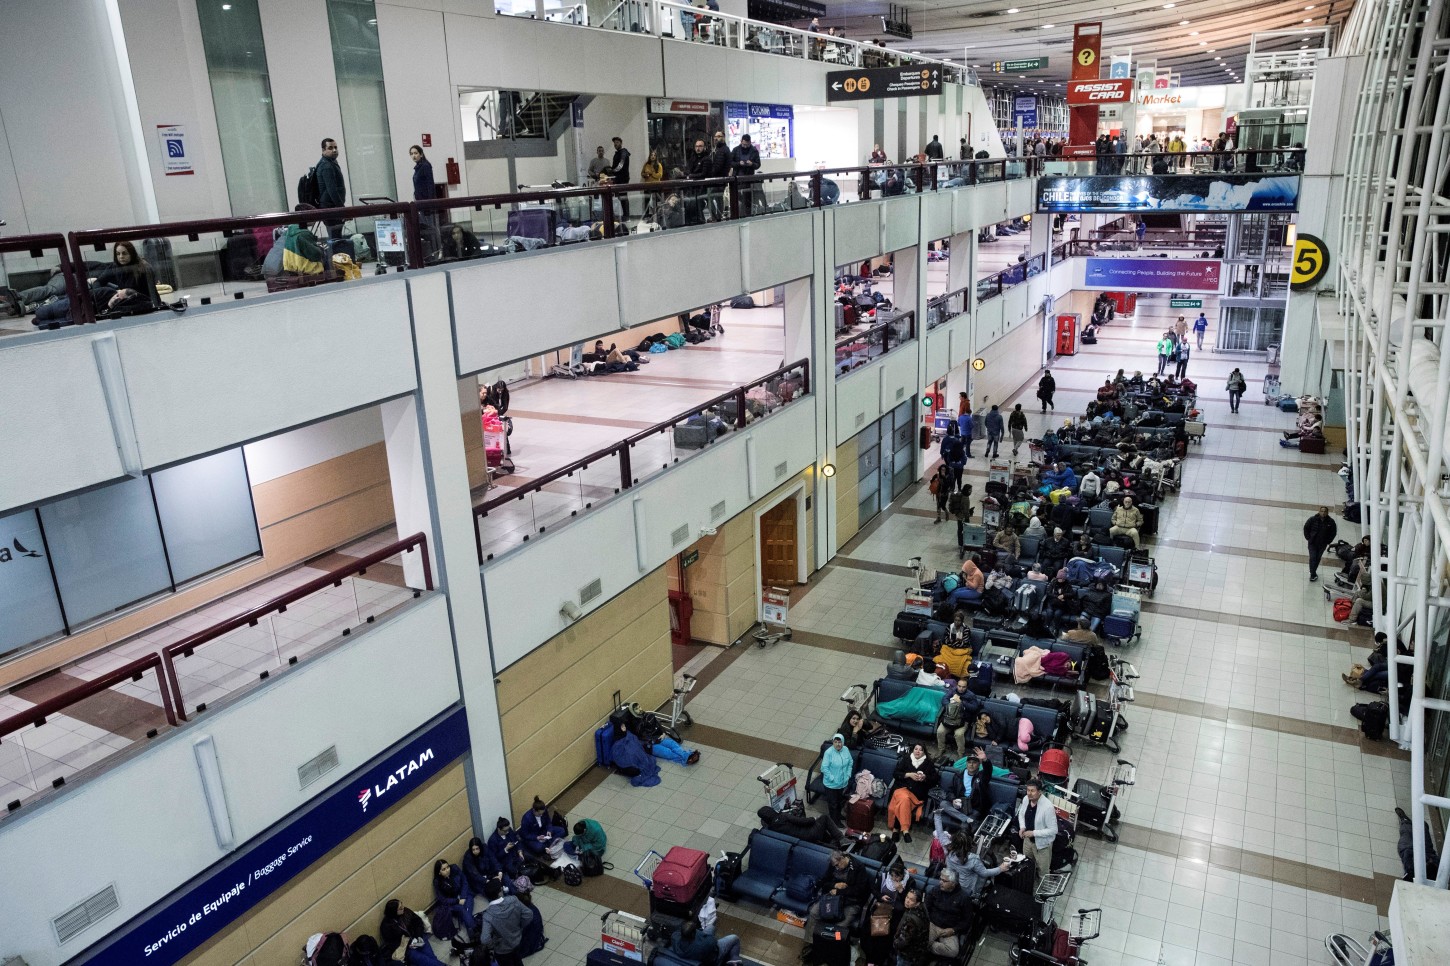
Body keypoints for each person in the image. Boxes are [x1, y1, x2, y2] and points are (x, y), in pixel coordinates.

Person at [803, 851, 868, 951]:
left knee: (841, 926)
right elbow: (824, 882)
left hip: (851, 902)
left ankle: (832, 948)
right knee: (814, 912)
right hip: (833, 898)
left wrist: (839, 891)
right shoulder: (833, 865)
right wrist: (834, 885)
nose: (836, 868)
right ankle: (811, 943)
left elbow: (859, 890)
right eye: (835, 866)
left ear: (843, 858)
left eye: (837, 865)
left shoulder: (858, 867)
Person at [479, 879, 537, 966]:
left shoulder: (488, 915)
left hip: (502, 950)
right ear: (499, 893)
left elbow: (485, 939)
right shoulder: (513, 900)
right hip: (517, 941)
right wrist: (519, 927)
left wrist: (493, 944)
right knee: (518, 961)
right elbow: (529, 914)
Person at [887, 743, 937, 842]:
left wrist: (924, 778)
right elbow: (896, 774)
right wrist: (908, 774)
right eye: (916, 749)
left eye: (920, 749)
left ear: (924, 752)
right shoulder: (906, 759)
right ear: (913, 750)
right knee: (904, 798)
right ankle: (905, 830)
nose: (918, 751)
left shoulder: (928, 764)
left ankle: (896, 829)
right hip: (900, 789)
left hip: (916, 794)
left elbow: (935, 779)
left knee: (903, 802)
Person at [923, 869, 974, 958]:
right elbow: (925, 907)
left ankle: (927, 946)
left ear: (953, 884)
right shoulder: (935, 890)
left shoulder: (964, 898)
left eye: (944, 881)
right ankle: (925, 945)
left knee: (953, 951)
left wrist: (954, 930)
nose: (940, 882)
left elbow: (967, 920)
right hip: (933, 924)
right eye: (940, 879)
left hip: (949, 929)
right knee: (921, 941)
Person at [1014, 779, 1058, 883]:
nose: (1029, 793)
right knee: (1028, 865)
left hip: (1042, 846)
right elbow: (1021, 814)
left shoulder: (1047, 807)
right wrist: (1022, 827)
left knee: (1043, 871)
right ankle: (1029, 886)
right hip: (1028, 841)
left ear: (1040, 792)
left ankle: (1043, 892)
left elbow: (1053, 830)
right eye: (1028, 790)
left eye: (1032, 791)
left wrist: (1033, 833)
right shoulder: (1026, 799)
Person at [379, 899, 446, 966]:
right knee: (424, 960)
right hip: (407, 948)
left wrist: (418, 936)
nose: (403, 907)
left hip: (417, 938)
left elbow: (418, 922)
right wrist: (409, 944)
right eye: (400, 908)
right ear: (394, 911)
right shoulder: (386, 926)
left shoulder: (406, 911)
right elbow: (392, 943)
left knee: (431, 958)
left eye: (401, 904)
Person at [433, 858, 481, 942]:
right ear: (439, 872)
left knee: (466, 912)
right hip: (453, 902)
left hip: (465, 895)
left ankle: (473, 937)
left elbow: (464, 881)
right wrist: (457, 901)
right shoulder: (437, 882)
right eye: (443, 869)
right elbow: (442, 899)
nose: (447, 870)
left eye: (447, 867)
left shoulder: (454, 868)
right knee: (463, 910)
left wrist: (463, 896)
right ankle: (476, 930)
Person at [819, 733, 853, 825]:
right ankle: (835, 821)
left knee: (839, 801)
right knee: (833, 804)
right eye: (835, 742)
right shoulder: (828, 753)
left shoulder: (845, 749)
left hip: (842, 783)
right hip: (831, 784)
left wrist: (848, 774)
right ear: (833, 742)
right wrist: (832, 778)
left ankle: (837, 815)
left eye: (840, 742)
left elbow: (850, 762)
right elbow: (824, 768)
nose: (838, 744)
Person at [316, 138, 347, 240]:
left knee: (335, 238)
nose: (334, 150)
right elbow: (332, 190)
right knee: (335, 240)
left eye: (335, 147)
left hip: (331, 208)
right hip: (331, 209)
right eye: (330, 148)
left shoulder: (329, 162)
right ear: (323, 150)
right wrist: (342, 209)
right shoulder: (327, 166)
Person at [893, 888, 930, 966]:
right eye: (907, 897)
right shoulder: (923, 909)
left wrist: (895, 944)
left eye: (911, 900)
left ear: (917, 903)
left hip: (907, 955)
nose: (907, 900)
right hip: (917, 953)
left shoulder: (911, 920)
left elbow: (903, 941)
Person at [936, 679, 974, 754]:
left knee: (958, 734)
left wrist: (961, 703)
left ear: (967, 687)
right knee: (940, 731)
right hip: (949, 718)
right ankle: (941, 749)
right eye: (959, 686)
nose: (961, 688)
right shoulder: (952, 691)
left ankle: (960, 753)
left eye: (963, 687)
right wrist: (952, 705)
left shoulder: (971, 695)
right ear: (957, 685)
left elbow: (974, 708)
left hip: (962, 720)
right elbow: (944, 700)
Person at [1304, 505, 1338, 582]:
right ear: (1319, 512)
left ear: (1327, 512)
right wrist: (1308, 537)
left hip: (1322, 544)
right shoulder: (1312, 519)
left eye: (1325, 511)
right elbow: (1306, 527)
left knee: (1317, 558)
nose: (1323, 513)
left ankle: (1313, 571)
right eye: (1322, 511)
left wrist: (1328, 541)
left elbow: (1333, 532)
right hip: (1312, 542)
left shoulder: (1331, 522)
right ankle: (1313, 574)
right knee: (1313, 557)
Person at [730, 134, 761, 213]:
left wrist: (752, 164)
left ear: (750, 142)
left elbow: (758, 164)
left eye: (747, 145)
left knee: (748, 199)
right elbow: (730, 163)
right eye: (743, 144)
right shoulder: (735, 150)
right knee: (737, 199)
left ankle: (747, 214)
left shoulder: (754, 151)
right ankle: (737, 214)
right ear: (741, 142)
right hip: (737, 179)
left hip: (749, 180)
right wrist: (738, 164)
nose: (745, 146)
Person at [939, 422, 966, 495]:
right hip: (959, 466)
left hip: (949, 459)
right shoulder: (956, 440)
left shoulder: (945, 439)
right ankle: (959, 489)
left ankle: (951, 487)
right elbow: (964, 458)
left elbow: (942, 447)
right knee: (959, 478)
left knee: (951, 474)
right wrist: (962, 463)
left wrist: (941, 454)